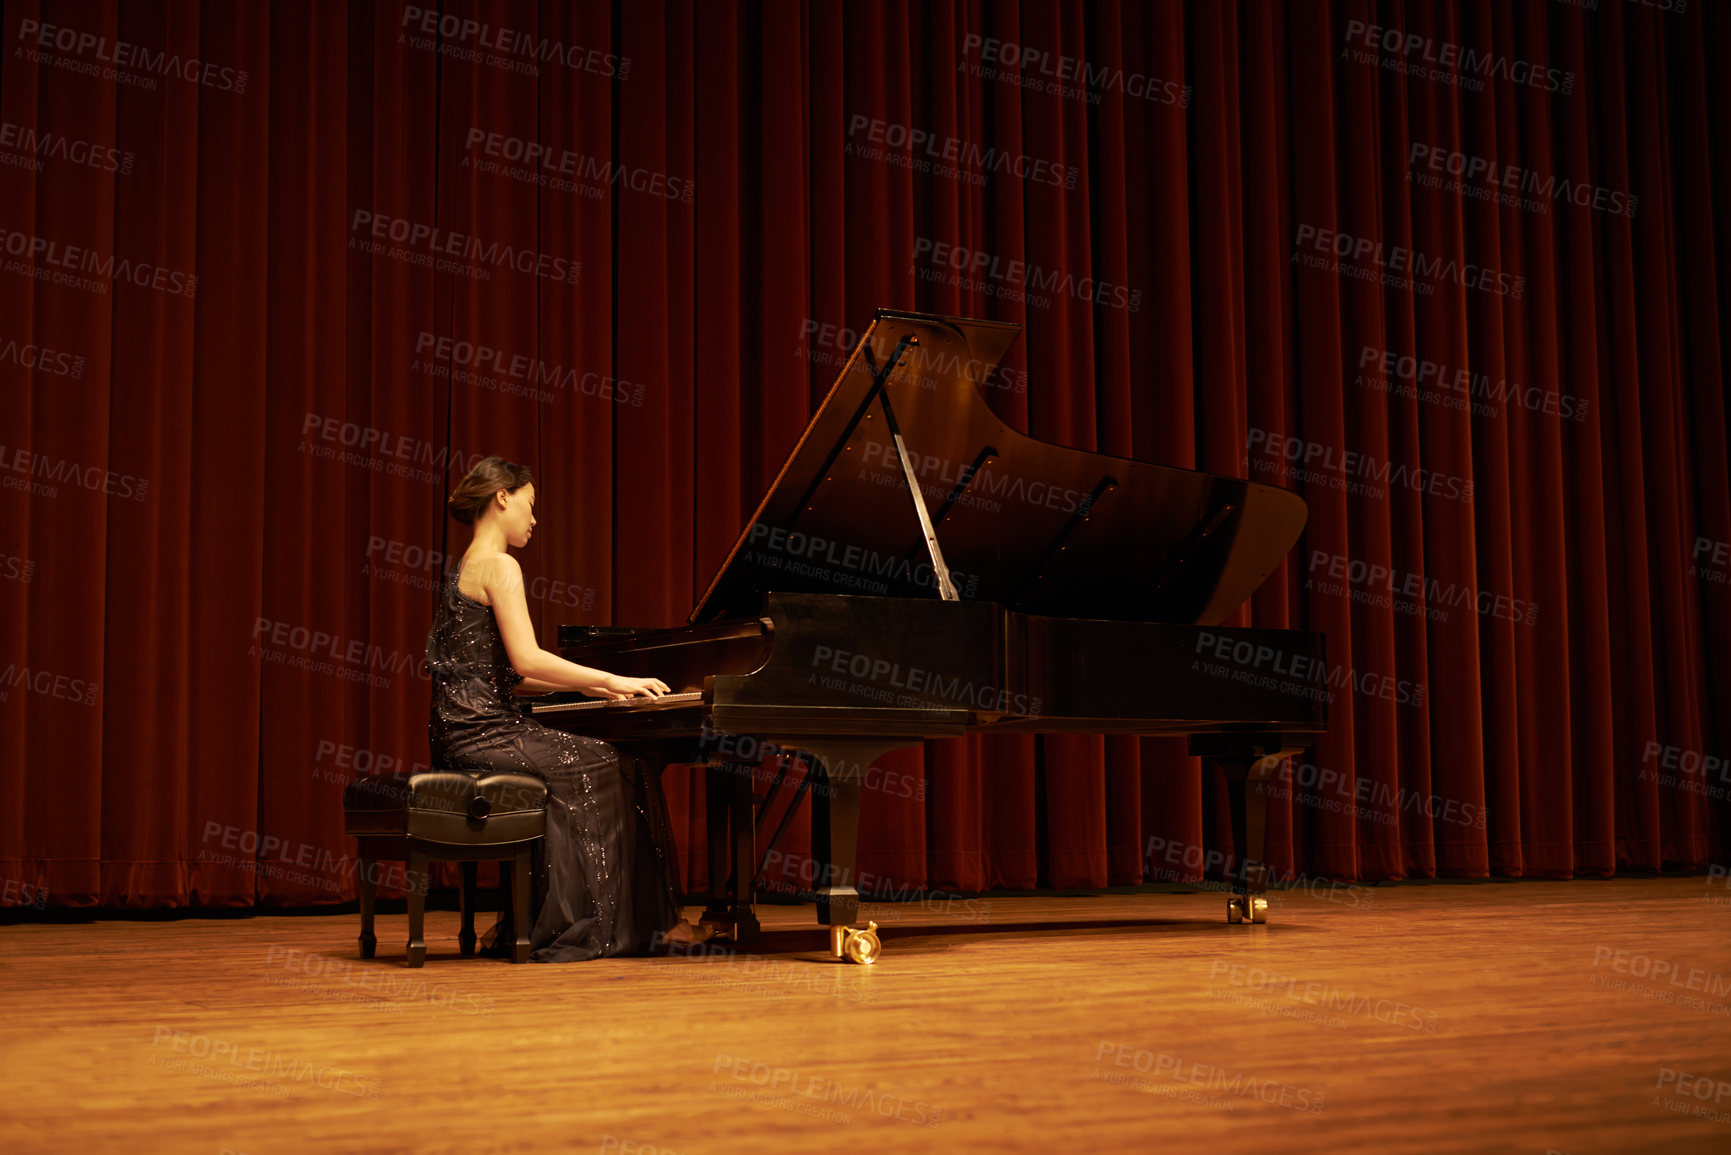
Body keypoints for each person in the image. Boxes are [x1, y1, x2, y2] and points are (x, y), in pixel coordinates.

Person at [425, 455, 709, 960]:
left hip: (460, 731)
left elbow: (512, 674)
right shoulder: (499, 565)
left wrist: (598, 692)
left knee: (608, 760)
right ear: (502, 498)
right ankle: (612, 925)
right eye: (530, 506)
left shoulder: (463, 567)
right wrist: (610, 678)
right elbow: (528, 657)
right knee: (616, 761)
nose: (534, 520)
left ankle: (573, 918)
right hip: (483, 732)